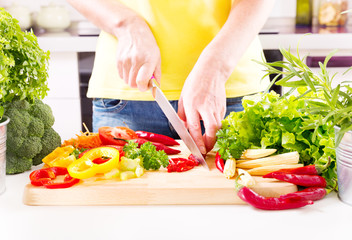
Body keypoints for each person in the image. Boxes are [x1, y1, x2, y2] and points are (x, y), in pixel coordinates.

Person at [67, 0, 276, 155]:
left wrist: (216, 67)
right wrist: (126, 24)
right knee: (121, 211)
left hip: (229, 93)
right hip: (126, 96)